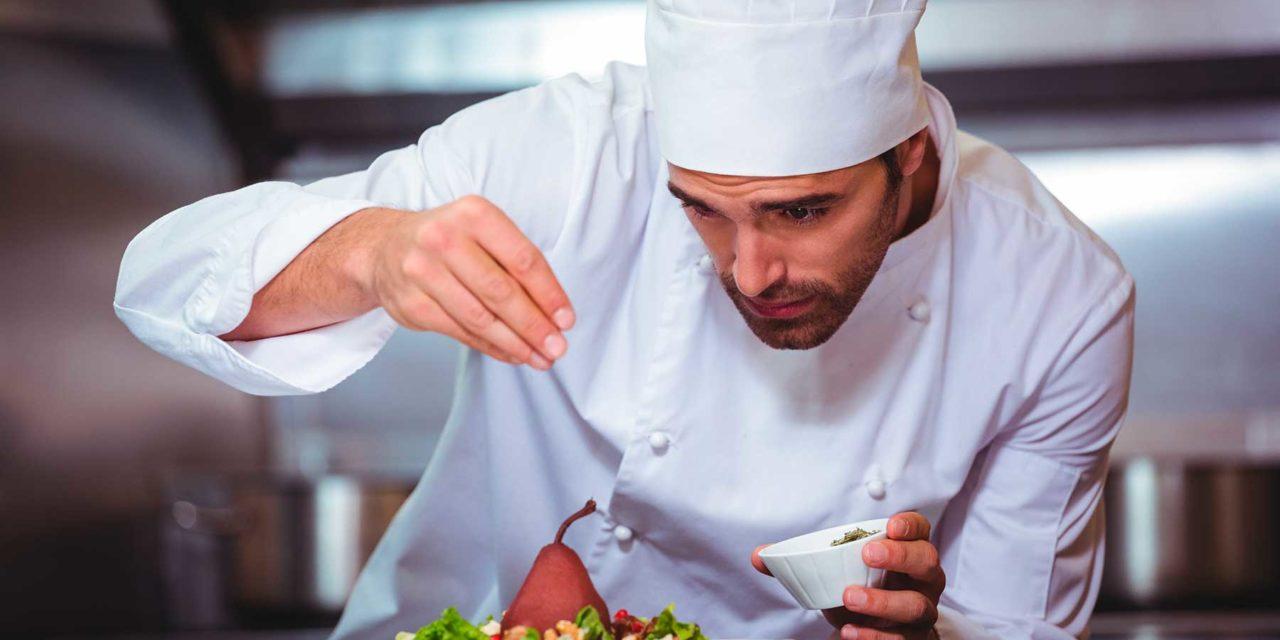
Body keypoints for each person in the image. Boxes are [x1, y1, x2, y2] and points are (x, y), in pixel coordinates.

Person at [115, 1, 1134, 638]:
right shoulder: (572, 152)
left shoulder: (1055, 298)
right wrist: (369, 251)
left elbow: (1013, 626)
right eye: (700, 207)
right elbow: (160, 281)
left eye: (802, 211)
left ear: (908, 157)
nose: (750, 268)